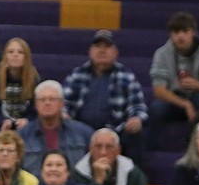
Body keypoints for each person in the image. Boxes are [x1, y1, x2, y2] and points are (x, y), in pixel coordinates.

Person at [61, 30, 148, 164]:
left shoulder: (126, 75)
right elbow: (63, 103)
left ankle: (135, 180)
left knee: (136, 133)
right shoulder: (77, 74)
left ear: (115, 52)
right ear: (90, 51)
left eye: (107, 47)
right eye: (98, 46)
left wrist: (136, 117)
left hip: (116, 130)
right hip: (81, 131)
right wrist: (63, 114)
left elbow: (138, 105)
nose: (102, 50)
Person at [148, 11, 199, 148]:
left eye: (185, 31)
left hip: (198, 97)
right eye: (176, 32)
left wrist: (198, 85)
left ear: (193, 32)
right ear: (171, 35)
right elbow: (158, 91)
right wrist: (185, 104)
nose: (180, 36)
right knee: (156, 109)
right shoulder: (161, 54)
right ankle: (154, 150)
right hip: (173, 100)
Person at [19, 80, 94, 173]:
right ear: (36, 105)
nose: (47, 103)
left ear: (62, 103)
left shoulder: (84, 134)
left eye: (52, 99)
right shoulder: (22, 136)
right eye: (42, 99)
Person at [0, 37, 39, 150]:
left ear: (26, 57)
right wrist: (2, 121)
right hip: (1, 125)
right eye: (11, 52)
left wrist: (27, 120)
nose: (15, 55)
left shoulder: (34, 80)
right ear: (5, 56)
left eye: (20, 52)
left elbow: (36, 110)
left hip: (24, 125)